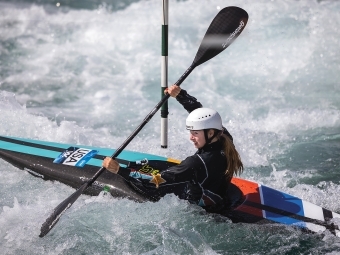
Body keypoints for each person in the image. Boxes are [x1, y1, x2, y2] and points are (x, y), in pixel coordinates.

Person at [103, 85, 243, 212]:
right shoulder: (224, 138)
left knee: (142, 181)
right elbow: (200, 112)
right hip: (216, 193)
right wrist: (181, 95)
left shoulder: (196, 163)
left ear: (210, 133)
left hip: (199, 208)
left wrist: (119, 170)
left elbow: (153, 182)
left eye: (195, 133)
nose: (191, 137)